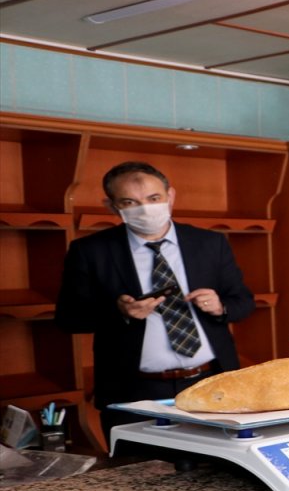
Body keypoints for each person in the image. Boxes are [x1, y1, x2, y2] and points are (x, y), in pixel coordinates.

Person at [56, 161, 255, 438]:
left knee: (216, 461)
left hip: (210, 382)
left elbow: (244, 302)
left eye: (154, 198)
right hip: (134, 390)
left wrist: (221, 306)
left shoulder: (210, 243)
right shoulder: (90, 251)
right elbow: (68, 318)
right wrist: (119, 311)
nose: (145, 209)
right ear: (112, 206)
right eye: (130, 202)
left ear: (170, 196)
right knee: (137, 464)